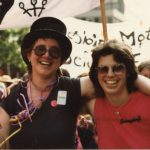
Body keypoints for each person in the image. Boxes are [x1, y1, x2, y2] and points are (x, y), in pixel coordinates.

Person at [0, 17, 150, 149]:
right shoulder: (12, 96)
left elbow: (113, 76)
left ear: (62, 59)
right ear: (29, 54)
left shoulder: (73, 88)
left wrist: (130, 73)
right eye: (40, 49)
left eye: (54, 51)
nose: (46, 55)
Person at [87, 39, 150, 149]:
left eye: (118, 68)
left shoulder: (147, 103)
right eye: (103, 69)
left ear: (128, 72)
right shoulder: (93, 105)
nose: (110, 74)